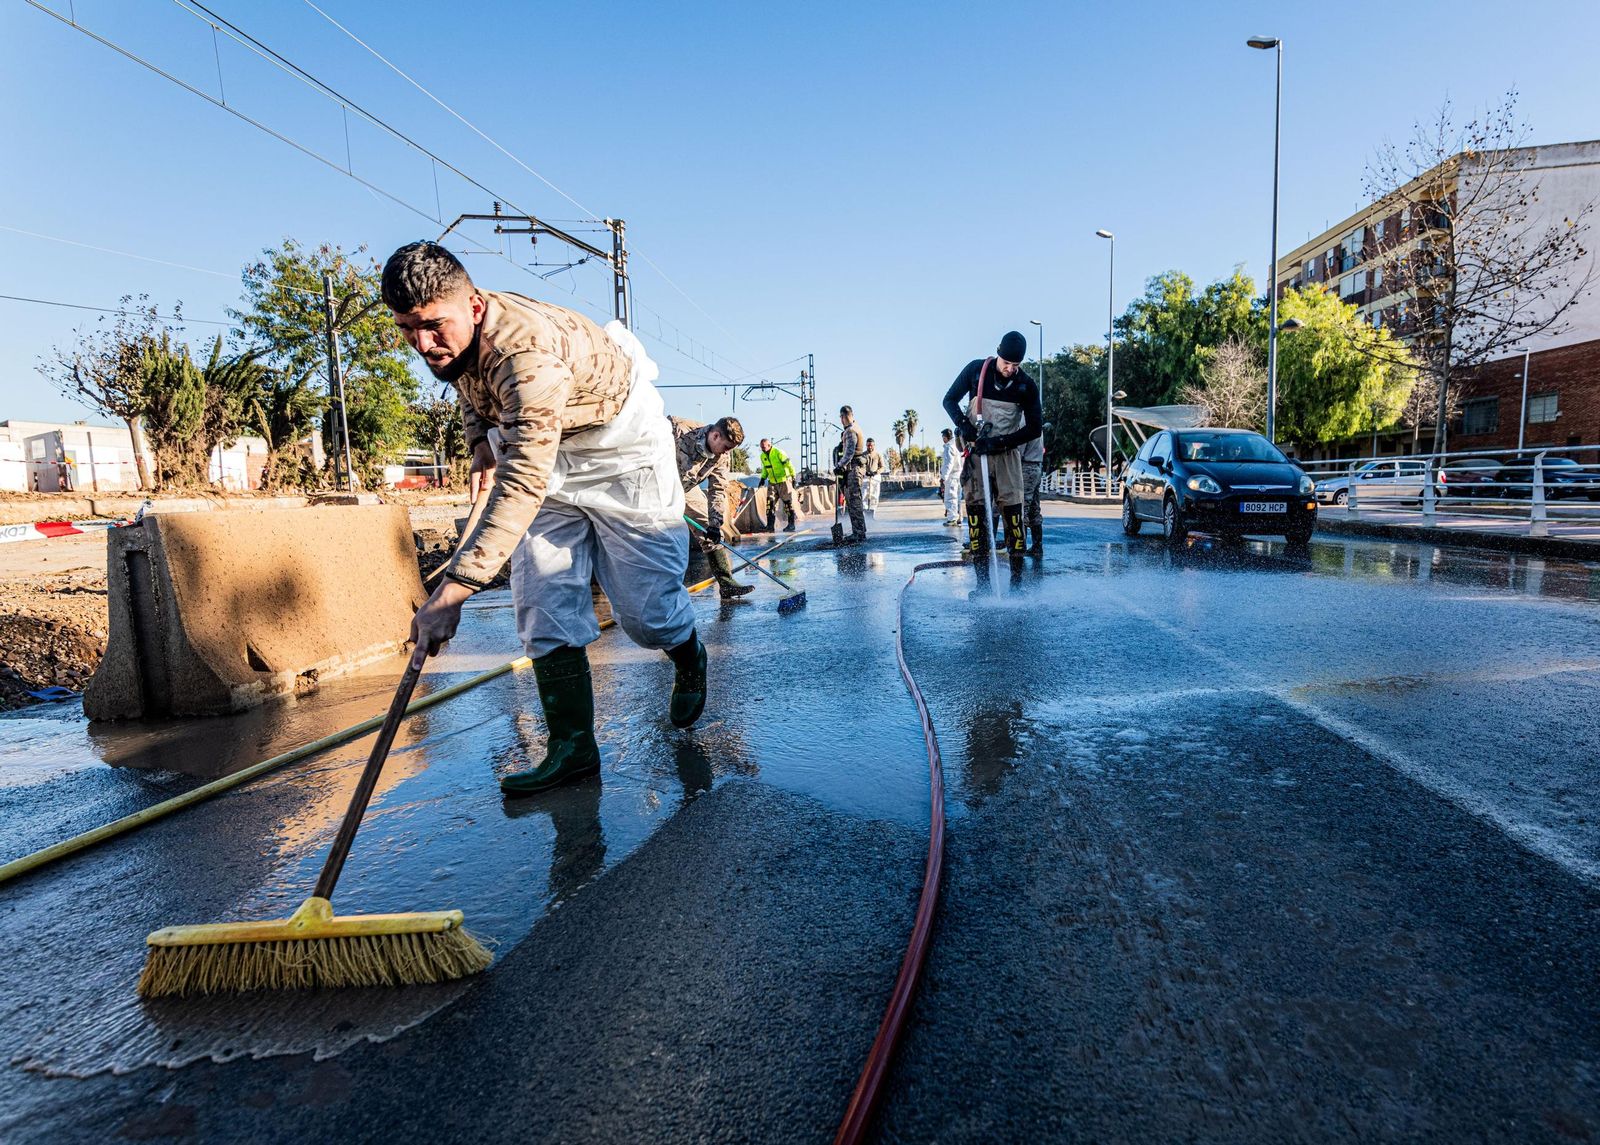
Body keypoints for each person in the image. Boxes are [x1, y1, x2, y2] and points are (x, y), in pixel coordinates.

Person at [385, 241, 707, 800]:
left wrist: (455, 589)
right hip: (551, 452)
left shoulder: (525, 354)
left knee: (647, 615)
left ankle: (689, 653)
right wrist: (478, 444)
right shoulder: (456, 344)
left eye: (434, 325)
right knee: (541, 597)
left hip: (620, 451)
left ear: (475, 306)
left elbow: (523, 484)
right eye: (407, 329)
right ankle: (573, 748)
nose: (423, 343)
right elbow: (469, 384)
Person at [942, 330, 1043, 560]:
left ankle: (1017, 583)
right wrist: (963, 425)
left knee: (1014, 516)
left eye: (1015, 365)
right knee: (977, 516)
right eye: (1007, 363)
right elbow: (949, 400)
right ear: (998, 354)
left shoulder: (1025, 386)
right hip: (976, 454)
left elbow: (1035, 428)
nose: (1010, 369)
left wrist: (1000, 442)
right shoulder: (976, 371)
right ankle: (982, 583)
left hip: (1007, 456)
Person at [673, 414, 754, 600]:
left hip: (685, 489)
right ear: (715, 436)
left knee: (709, 531)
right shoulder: (678, 430)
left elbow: (717, 489)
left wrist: (715, 525)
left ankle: (726, 584)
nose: (726, 453)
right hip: (655, 486)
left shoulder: (721, 457)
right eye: (726, 447)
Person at [835, 405, 868, 543]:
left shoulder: (850, 431)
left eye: (841, 417)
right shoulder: (856, 427)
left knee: (854, 502)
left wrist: (839, 465)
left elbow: (849, 452)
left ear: (843, 417)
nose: (841, 420)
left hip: (854, 469)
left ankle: (858, 533)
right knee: (856, 501)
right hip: (856, 468)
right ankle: (859, 531)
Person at [757, 437, 798, 532]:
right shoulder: (763, 456)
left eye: (764, 447)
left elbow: (789, 464)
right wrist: (763, 478)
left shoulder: (778, 453)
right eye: (761, 448)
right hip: (772, 482)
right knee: (769, 503)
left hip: (783, 481)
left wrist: (793, 477)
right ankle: (770, 526)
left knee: (788, 503)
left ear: (769, 445)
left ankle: (791, 525)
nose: (762, 449)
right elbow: (765, 469)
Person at [1021, 429, 1045, 554]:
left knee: (1022, 508)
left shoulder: (1022, 420)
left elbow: (1019, 449)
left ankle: (1020, 546)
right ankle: (1037, 546)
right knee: (1034, 508)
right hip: (1037, 465)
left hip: (1026, 466)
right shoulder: (1035, 419)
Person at [939, 427, 963, 526]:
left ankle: (952, 518)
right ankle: (959, 518)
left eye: (943, 437)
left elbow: (948, 464)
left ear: (945, 437)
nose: (942, 439)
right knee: (958, 498)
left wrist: (943, 477)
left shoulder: (949, 447)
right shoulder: (956, 446)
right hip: (958, 475)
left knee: (950, 497)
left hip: (952, 476)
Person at [863, 438, 886, 518]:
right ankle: (865, 513)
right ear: (866, 445)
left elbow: (883, 467)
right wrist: (864, 472)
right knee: (864, 496)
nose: (870, 447)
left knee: (875, 496)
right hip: (865, 478)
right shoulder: (863, 455)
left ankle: (872, 513)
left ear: (874, 445)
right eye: (868, 445)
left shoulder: (878, 455)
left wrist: (876, 472)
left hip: (875, 478)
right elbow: (860, 466)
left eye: (871, 445)